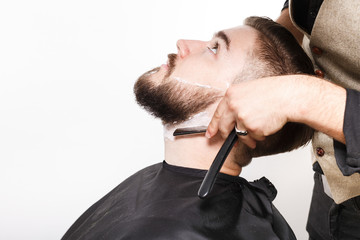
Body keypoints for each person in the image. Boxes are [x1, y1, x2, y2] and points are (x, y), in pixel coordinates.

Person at [61, 17, 314, 240]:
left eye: (214, 48)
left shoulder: (180, 231)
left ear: (246, 111)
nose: (183, 43)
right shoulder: (158, 186)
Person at [206, 1, 360, 239]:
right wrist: (270, 52)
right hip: (330, 181)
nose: (181, 45)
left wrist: (302, 96)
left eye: (214, 48)